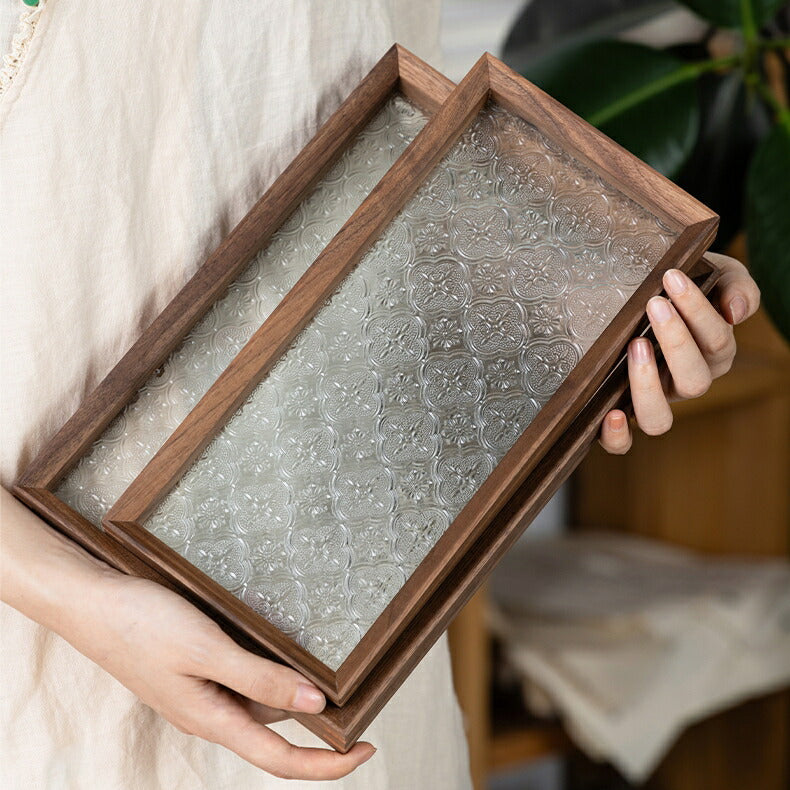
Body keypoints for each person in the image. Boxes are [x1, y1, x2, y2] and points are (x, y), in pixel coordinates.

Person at [0, 2, 761, 787]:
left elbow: (410, 180)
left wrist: (622, 273)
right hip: (51, 638)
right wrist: (78, 595)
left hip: (351, 607)